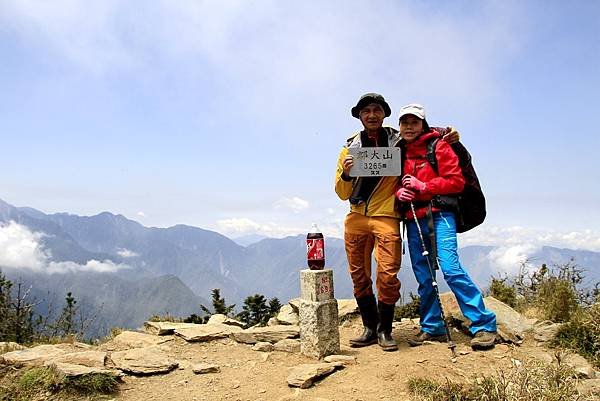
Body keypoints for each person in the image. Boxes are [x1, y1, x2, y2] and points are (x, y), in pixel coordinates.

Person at [334, 93, 459, 352]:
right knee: (359, 275)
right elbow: (341, 193)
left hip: (387, 216)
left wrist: (450, 133)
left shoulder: (397, 141)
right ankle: (370, 327)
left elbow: (421, 132)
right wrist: (346, 174)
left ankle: (385, 330)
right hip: (356, 215)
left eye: (376, 110)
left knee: (388, 275)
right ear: (359, 115)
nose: (371, 115)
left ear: (384, 114)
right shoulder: (349, 149)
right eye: (366, 111)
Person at [395, 103, 497, 350]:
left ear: (423, 124)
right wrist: (399, 192)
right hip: (414, 219)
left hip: (441, 215)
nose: (409, 127)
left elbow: (456, 181)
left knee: (450, 268)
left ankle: (483, 325)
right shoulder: (397, 151)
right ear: (399, 125)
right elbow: (393, 183)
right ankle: (433, 327)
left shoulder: (438, 146)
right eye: (404, 122)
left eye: (414, 122)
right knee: (424, 275)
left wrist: (424, 187)